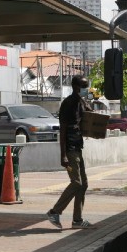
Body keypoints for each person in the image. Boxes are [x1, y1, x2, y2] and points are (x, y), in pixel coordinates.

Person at [47, 75, 93, 229]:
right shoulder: (68, 104)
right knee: (76, 182)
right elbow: (63, 130)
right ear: (76, 87)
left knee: (84, 184)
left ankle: (77, 220)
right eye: (84, 86)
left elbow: (88, 117)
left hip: (78, 148)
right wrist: (63, 155)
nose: (87, 89)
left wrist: (87, 106)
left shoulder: (80, 102)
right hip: (70, 150)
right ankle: (54, 211)